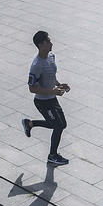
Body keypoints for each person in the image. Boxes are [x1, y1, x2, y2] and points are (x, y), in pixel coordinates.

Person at [22, 31, 70, 165]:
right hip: (42, 102)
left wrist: (60, 85)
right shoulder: (36, 65)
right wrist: (52, 91)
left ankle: (30, 123)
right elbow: (32, 88)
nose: (51, 43)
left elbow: (51, 75)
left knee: (62, 124)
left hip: (51, 98)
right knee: (58, 126)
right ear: (40, 45)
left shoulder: (51, 56)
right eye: (47, 42)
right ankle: (52, 156)